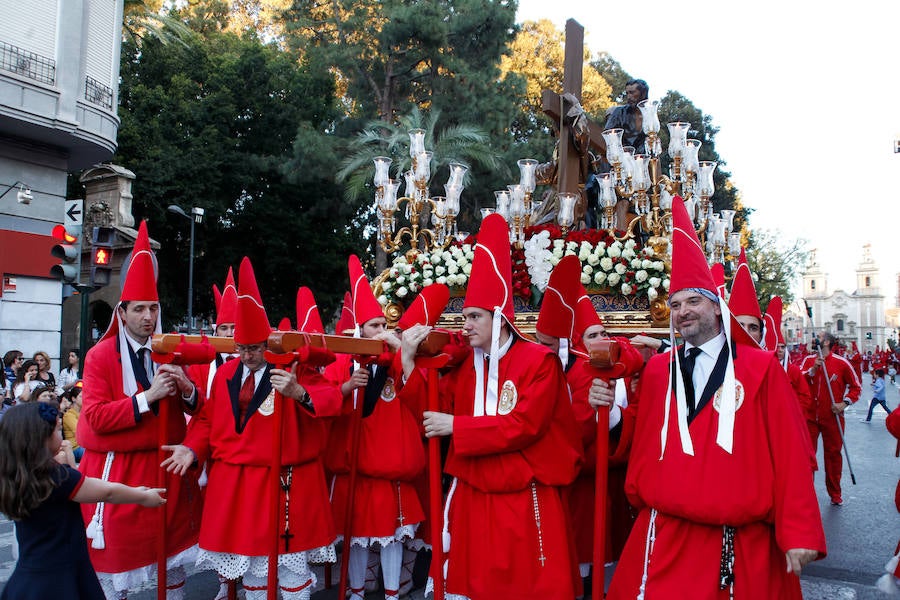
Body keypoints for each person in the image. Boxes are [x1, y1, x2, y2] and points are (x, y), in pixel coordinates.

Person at [597, 197, 825, 599]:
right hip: (663, 535)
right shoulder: (657, 371)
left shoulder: (760, 369)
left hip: (736, 542)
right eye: (675, 304)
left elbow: (790, 452)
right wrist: (611, 415)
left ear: (718, 309)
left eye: (693, 301)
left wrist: (799, 529)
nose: (683, 311)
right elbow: (644, 441)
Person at [400, 214, 583, 600]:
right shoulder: (466, 364)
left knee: (525, 586)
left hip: (523, 493)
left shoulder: (539, 361)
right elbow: (430, 413)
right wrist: (408, 364)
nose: (465, 325)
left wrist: (458, 427)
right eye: (464, 317)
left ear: (499, 317)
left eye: (474, 317)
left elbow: (525, 425)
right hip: (472, 491)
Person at [162, 257, 342, 600]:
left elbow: (331, 399)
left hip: (284, 484)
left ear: (267, 342)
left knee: (290, 570)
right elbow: (207, 419)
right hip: (235, 486)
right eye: (241, 348)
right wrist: (191, 448)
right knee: (250, 569)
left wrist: (298, 393)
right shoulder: (227, 374)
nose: (246, 355)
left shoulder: (291, 366)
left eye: (254, 348)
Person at [77, 221, 203, 600]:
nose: (148, 317)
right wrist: (148, 397)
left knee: (173, 566)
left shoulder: (171, 349)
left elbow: (201, 409)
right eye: (140, 309)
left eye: (153, 308)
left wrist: (187, 389)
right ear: (123, 311)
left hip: (167, 475)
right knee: (118, 573)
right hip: (122, 477)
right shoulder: (100, 356)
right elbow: (96, 417)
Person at [323, 255, 424, 600]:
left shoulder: (396, 360)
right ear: (359, 330)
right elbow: (326, 403)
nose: (381, 332)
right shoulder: (340, 364)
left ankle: (392, 594)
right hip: (354, 469)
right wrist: (349, 387)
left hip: (390, 470)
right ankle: (355, 592)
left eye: (384, 325)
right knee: (356, 537)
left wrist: (403, 353)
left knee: (393, 536)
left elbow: (416, 394)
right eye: (373, 326)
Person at [534, 254, 638, 588]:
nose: (600, 341)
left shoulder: (597, 368)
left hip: (593, 479)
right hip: (565, 478)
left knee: (593, 561)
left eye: (603, 333)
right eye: (592, 335)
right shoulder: (569, 369)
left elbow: (629, 354)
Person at [0, 402, 167, 600]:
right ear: (41, 437)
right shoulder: (56, 477)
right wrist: (142, 496)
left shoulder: (14, 476)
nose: (60, 436)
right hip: (64, 574)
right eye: (57, 429)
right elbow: (107, 492)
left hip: (29, 575)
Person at [799, 331, 861, 506]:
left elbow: (856, 387)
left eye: (817, 337)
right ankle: (806, 492)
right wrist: (813, 370)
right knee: (806, 455)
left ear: (825, 342)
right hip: (810, 417)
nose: (813, 339)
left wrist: (844, 403)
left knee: (833, 456)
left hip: (832, 417)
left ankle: (835, 493)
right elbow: (798, 380)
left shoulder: (842, 364)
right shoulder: (808, 360)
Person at [603, 79, 649, 152]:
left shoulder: (650, 116)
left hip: (643, 160)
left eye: (632, 92)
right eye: (627, 93)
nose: (629, 97)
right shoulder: (619, 113)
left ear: (643, 94)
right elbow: (608, 136)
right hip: (621, 158)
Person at [63, 382, 84, 461]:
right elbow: (79, 431)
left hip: (85, 445)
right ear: (73, 399)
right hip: (75, 447)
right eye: (81, 397)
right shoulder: (69, 415)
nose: (84, 399)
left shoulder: (84, 412)